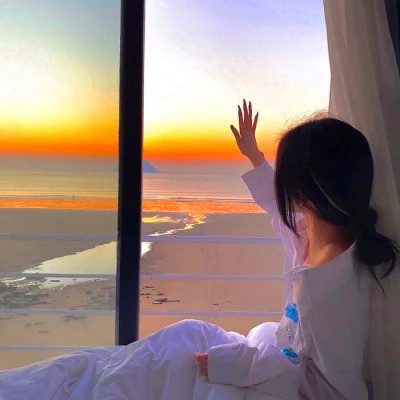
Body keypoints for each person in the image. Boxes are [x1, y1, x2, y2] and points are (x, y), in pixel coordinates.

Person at [0, 100, 398, 400]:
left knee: (152, 366)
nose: (283, 189)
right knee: (178, 339)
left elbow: (317, 377)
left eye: (288, 176)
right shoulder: (318, 233)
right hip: (270, 358)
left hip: (282, 382)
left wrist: (230, 364)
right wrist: (255, 157)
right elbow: (278, 211)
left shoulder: (331, 286)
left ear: (307, 189)